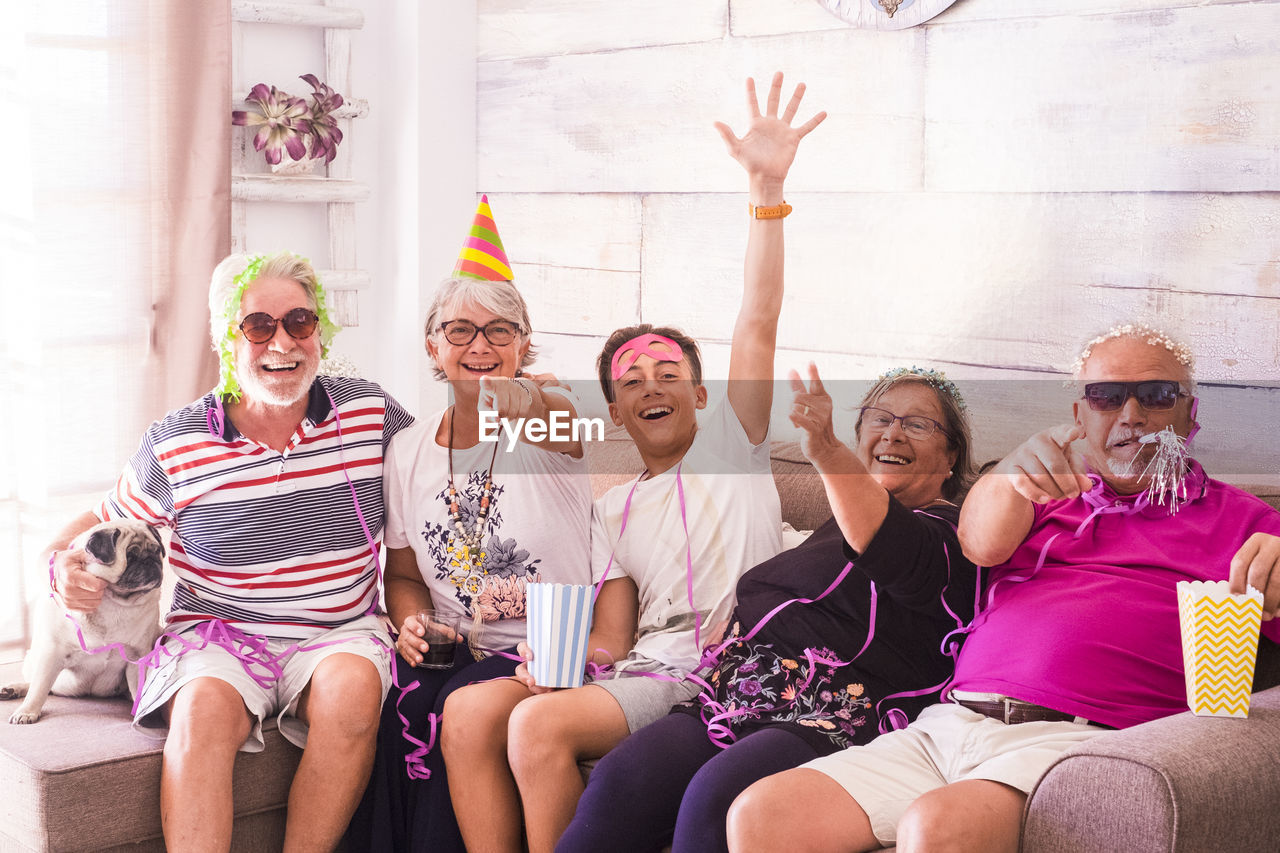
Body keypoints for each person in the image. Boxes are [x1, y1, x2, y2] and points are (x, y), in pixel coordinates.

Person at [440, 71, 826, 853]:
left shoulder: (735, 449)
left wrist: (767, 192)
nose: (653, 388)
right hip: (650, 671)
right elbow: (612, 636)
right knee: (526, 712)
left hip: (730, 671)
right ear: (615, 411)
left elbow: (758, 313)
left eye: (669, 376)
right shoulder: (610, 507)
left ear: (702, 394)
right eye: (631, 383)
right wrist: (562, 658)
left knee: (539, 726)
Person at [726, 324, 1280, 853]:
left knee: (938, 823)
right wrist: (1008, 475)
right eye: (1107, 397)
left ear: (1191, 414)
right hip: (951, 722)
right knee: (763, 814)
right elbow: (980, 543)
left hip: (1088, 742)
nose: (1131, 416)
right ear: (1080, 416)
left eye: (1157, 395)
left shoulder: (1248, 522)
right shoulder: (1044, 496)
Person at [44, 251, 415, 852]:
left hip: (338, 630)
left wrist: (534, 406)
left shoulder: (369, 410)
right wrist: (62, 570)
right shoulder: (176, 442)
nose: (283, 343)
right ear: (225, 338)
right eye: (258, 326)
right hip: (216, 637)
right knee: (200, 717)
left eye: (299, 322)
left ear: (319, 330)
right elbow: (81, 530)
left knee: (352, 696)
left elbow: (448, 459)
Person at [557, 364, 980, 853]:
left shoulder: (954, 533)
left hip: (841, 707)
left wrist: (826, 452)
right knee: (619, 779)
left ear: (951, 458)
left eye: (918, 423)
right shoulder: (833, 527)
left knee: (716, 796)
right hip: (740, 691)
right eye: (879, 418)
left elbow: (891, 548)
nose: (894, 433)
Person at [347, 197, 592, 853]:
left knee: (460, 709)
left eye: (500, 330)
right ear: (433, 344)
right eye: (460, 330)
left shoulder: (542, 424)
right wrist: (411, 620)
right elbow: (400, 572)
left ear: (523, 344)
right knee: (393, 702)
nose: (479, 346)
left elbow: (569, 425)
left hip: (555, 641)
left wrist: (540, 398)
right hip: (459, 641)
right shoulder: (409, 449)